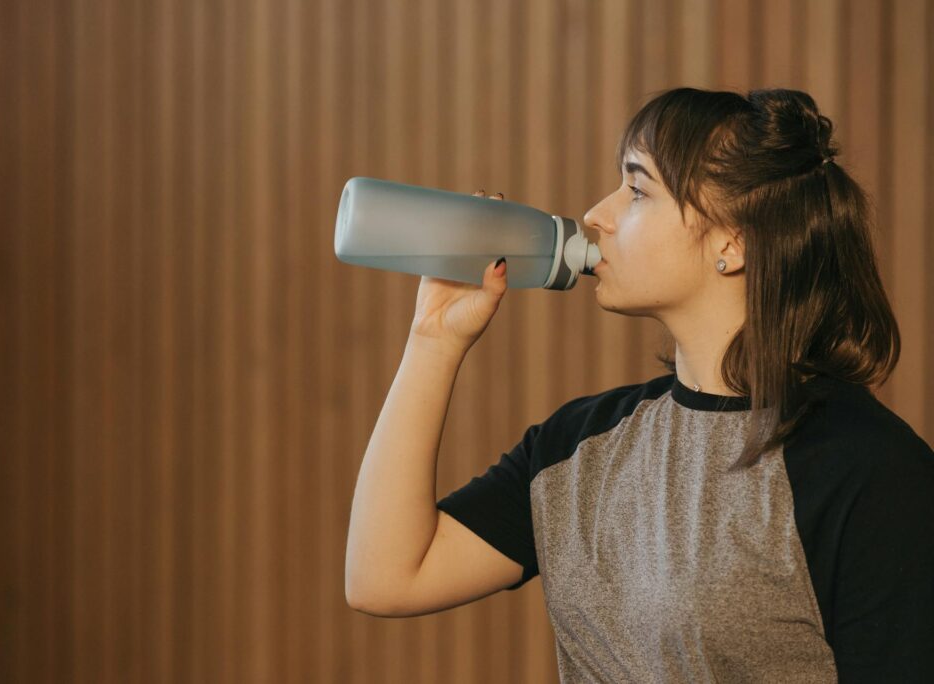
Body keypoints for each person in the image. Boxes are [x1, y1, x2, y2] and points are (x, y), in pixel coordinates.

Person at [344, 87, 934, 682]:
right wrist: (433, 340)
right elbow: (386, 578)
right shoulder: (580, 446)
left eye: (638, 189)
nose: (598, 214)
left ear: (734, 243)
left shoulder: (866, 468)